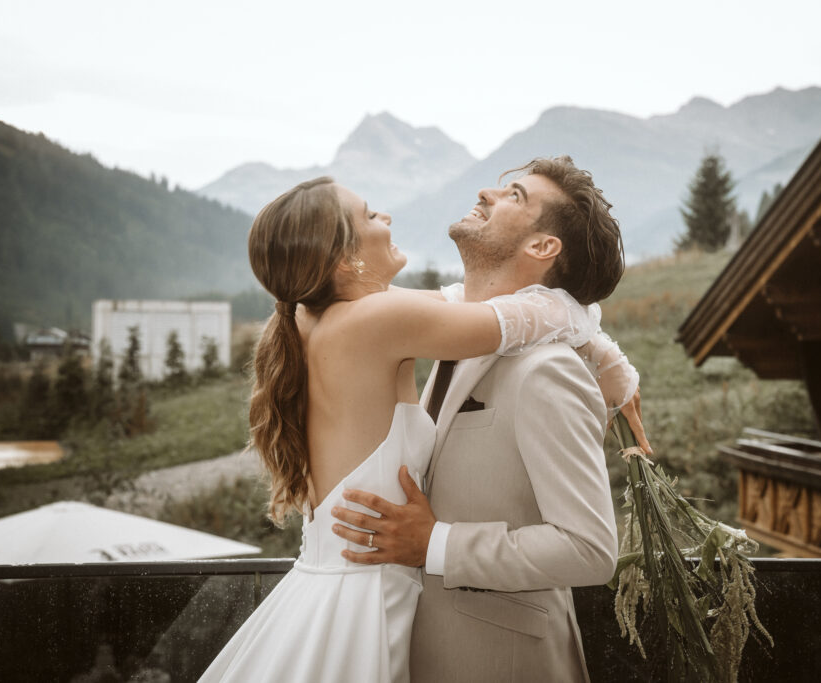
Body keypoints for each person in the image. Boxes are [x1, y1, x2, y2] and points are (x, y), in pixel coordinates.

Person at [198, 168, 643, 682]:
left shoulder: (323, 318)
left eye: (514, 193)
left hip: (364, 600)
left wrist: (605, 359)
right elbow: (527, 315)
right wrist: (615, 368)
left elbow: (469, 303)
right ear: (346, 257)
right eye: (368, 214)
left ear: (545, 245)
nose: (384, 216)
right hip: (361, 608)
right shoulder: (378, 322)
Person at [332, 156, 646, 682]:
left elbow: (590, 549)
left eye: (515, 196)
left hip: (503, 661)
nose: (486, 192)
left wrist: (435, 543)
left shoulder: (548, 371)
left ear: (543, 247)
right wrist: (606, 354)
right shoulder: (456, 334)